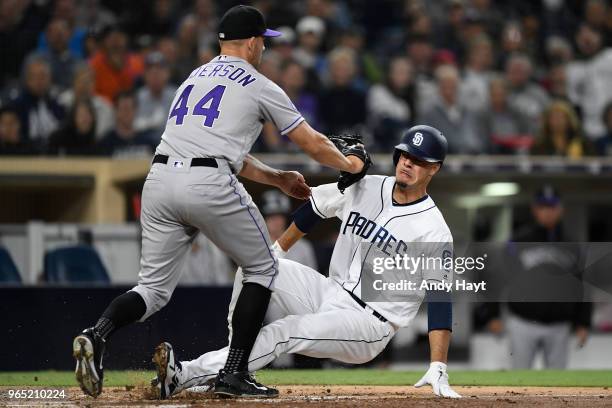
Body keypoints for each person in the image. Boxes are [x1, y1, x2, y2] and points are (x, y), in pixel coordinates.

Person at [72, 5, 366, 400]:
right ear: (251, 42)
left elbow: (225, 151)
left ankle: (98, 333)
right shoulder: (259, 84)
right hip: (208, 181)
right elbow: (311, 142)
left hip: (159, 180)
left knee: (153, 290)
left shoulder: (192, 78)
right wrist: (350, 163)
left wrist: (277, 179)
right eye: (263, 40)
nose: (264, 47)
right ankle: (234, 372)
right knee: (264, 267)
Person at [151, 125, 461, 400]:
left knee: (286, 330)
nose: (408, 163)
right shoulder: (368, 186)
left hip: (370, 322)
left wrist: (438, 364)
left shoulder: (434, 229)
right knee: (256, 266)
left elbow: (439, 298)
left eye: (420, 160)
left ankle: (188, 374)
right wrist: (277, 251)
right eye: (405, 155)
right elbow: (315, 208)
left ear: (434, 169)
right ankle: (233, 366)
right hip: (328, 291)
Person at [486, 186, 591, 369]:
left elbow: (581, 285)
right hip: (523, 322)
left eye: (552, 207)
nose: (548, 212)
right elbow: (498, 279)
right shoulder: (517, 242)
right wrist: (492, 315)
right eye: (543, 207)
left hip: (560, 324)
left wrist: (583, 322)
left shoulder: (573, 244)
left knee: (557, 384)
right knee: (519, 380)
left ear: (561, 209)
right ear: (535, 209)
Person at [133, 52, 177, 141]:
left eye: (160, 69)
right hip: (143, 146)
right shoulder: (137, 97)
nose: (155, 73)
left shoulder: (177, 96)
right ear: (144, 75)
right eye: (150, 70)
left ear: (168, 73)